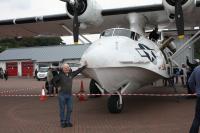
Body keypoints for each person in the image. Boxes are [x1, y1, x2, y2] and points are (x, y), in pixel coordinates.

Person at [53, 62, 87, 128]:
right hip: (62, 95)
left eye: (67, 68)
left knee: (70, 109)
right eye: (65, 68)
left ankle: (67, 122)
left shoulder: (71, 74)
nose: (66, 69)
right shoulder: (60, 75)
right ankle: (63, 122)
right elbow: (53, 81)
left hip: (69, 95)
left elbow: (78, 71)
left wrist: (84, 66)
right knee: (62, 109)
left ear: (69, 68)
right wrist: (57, 86)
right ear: (62, 69)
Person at [188, 65, 200, 133]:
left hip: (199, 96)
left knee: (197, 118)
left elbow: (190, 81)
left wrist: (195, 91)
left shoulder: (197, 68)